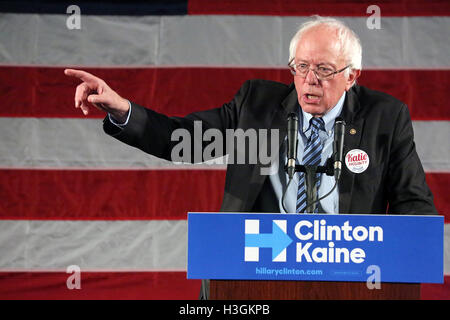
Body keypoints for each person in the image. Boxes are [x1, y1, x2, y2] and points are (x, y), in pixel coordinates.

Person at [65, 16, 437, 299]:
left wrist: (403, 262)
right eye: (301, 67)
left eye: (324, 70)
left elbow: (414, 206)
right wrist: (121, 109)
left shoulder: (384, 116)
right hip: (257, 270)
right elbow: (182, 140)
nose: (310, 80)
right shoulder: (257, 106)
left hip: (347, 278)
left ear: (352, 75)